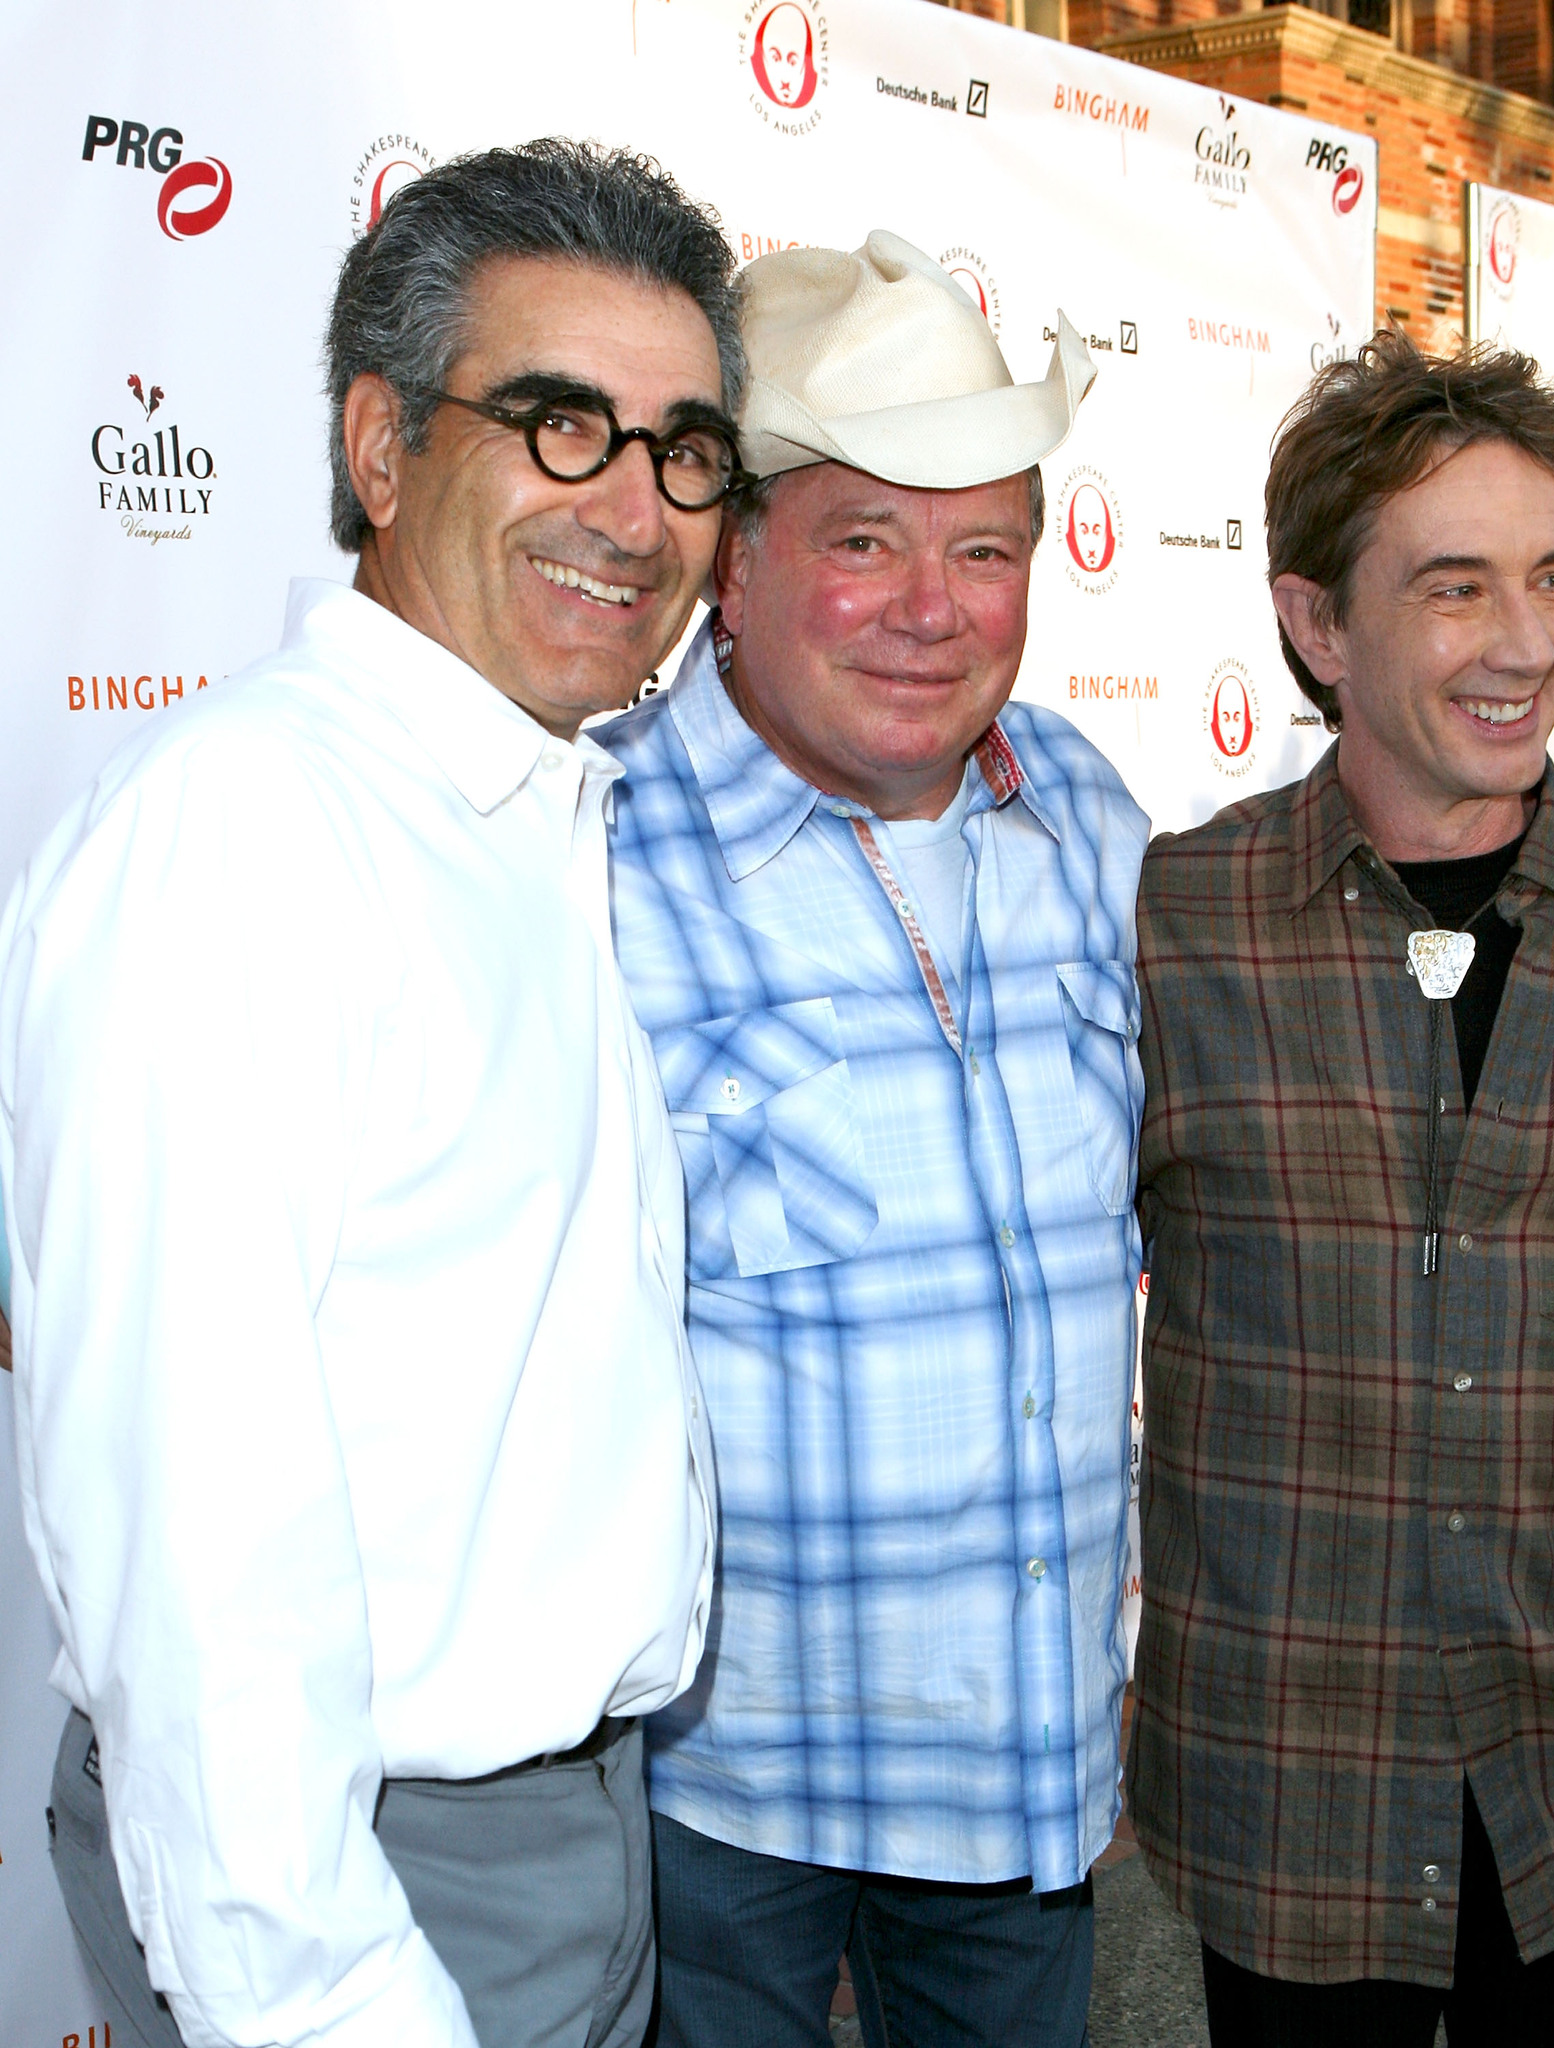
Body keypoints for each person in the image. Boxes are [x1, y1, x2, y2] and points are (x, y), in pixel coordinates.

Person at [0, 139, 745, 2048]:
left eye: (684, 449)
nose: (636, 507)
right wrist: (332, 2006)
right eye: (558, 423)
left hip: (556, 1839)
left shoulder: (516, 809)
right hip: (367, 1900)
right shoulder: (243, 843)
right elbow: (194, 1570)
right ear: (379, 446)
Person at [1128, 332, 1554, 2048]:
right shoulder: (1175, 930)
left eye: (1551, 576)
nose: (1527, 644)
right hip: (1292, 1786)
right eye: (1452, 589)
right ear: (1313, 626)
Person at [601, 232, 1144, 2047]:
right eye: (864, 541)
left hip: (1023, 1764)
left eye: (983, 548)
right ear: (732, 566)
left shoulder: (1081, 808)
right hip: (720, 1788)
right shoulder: (586, 855)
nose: (934, 606)